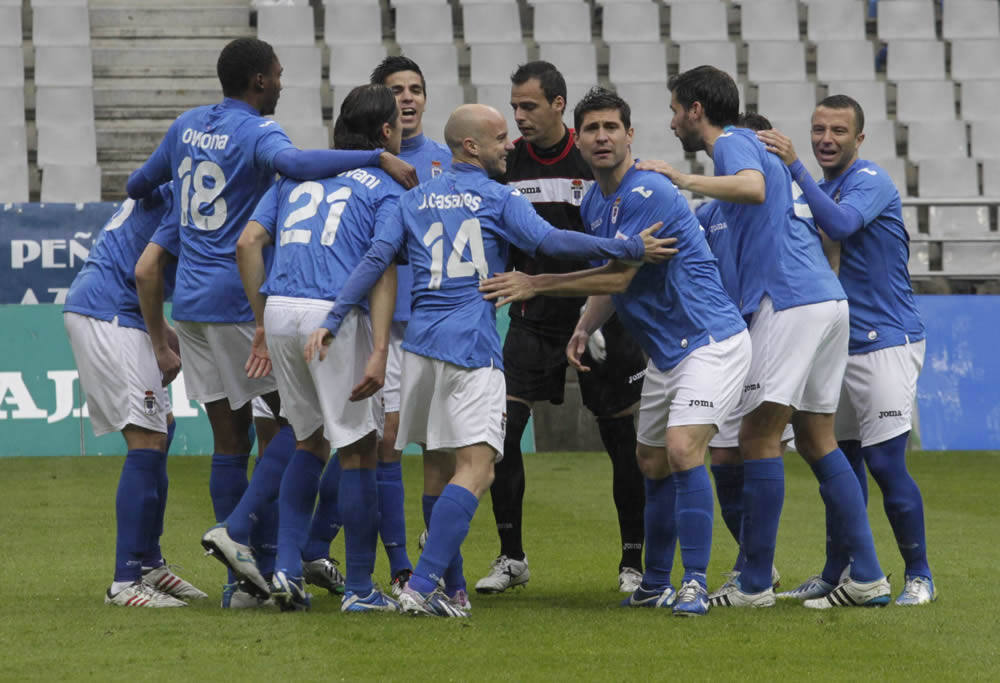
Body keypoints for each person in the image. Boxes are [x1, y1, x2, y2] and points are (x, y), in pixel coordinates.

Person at [304, 103, 674, 617]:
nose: (510, 146)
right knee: (477, 470)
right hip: (471, 350)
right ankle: (421, 582)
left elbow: (375, 260)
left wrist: (334, 315)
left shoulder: (411, 201)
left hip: (419, 351)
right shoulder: (496, 198)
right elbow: (551, 241)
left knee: (437, 469)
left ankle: (447, 591)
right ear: (471, 146)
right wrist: (625, 244)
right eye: (500, 138)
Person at [126, 37, 416, 598]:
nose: (282, 84)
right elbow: (297, 166)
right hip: (244, 300)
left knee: (230, 440)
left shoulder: (185, 125)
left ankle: (247, 582)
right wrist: (376, 157)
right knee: (301, 431)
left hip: (188, 302)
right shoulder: (262, 134)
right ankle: (248, 539)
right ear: (259, 81)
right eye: (279, 75)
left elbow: (141, 185)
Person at [481, 87, 751, 617]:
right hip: (668, 354)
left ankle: (693, 582)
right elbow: (616, 283)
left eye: (611, 127)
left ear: (631, 136)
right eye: (591, 129)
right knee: (648, 461)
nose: (601, 137)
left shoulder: (646, 191)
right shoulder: (596, 201)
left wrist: (536, 283)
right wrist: (585, 323)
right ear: (578, 140)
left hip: (711, 342)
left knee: (679, 451)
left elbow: (620, 272)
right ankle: (654, 580)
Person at [638, 65, 890, 609]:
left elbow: (750, 185)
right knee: (818, 440)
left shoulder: (734, 141)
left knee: (756, 438)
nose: (672, 121)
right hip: (824, 301)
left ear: (695, 111)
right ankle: (867, 576)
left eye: (675, 108)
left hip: (790, 301)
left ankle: (753, 584)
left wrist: (678, 178)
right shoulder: (722, 204)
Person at [232, 84, 406, 612]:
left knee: (306, 440)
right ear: (384, 132)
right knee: (357, 449)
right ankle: (358, 588)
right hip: (331, 318)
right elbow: (380, 262)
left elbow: (247, 243)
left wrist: (263, 320)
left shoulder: (296, 177)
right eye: (396, 121)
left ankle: (286, 570)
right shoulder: (384, 183)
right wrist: (376, 351)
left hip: (281, 309)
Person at [479, 61, 649, 595]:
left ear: (557, 105)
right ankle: (511, 557)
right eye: (514, 107)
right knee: (501, 434)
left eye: (528, 106)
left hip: (600, 313)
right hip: (532, 317)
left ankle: (633, 561)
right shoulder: (507, 164)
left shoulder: (594, 153)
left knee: (622, 441)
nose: (519, 117)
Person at [757, 95, 934, 606]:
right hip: (835, 342)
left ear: (859, 139)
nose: (825, 139)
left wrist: (792, 164)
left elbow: (840, 225)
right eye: (818, 130)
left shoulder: (870, 181)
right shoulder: (818, 186)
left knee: (884, 463)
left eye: (838, 131)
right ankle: (838, 571)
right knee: (840, 461)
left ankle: (919, 575)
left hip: (886, 338)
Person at [64, 184, 205, 608]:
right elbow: (145, 272)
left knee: (162, 427)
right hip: (108, 313)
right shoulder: (191, 197)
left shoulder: (174, 186)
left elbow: (141, 269)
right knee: (145, 439)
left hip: (118, 309)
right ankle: (125, 581)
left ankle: (149, 565)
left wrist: (161, 332)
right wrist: (160, 345)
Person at [368, 56, 454, 594]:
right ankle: (400, 564)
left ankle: (435, 558)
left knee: (441, 446)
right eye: (397, 90)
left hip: (437, 318)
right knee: (388, 441)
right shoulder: (368, 161)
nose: (408, 98)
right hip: (385, 324)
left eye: (416, 89)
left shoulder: (448, 161)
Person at [696, 113, 791, 600]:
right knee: (724, 455)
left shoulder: (782, 205)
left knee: (787, 445)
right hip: (730, 341)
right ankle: (757, 564)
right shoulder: (710, 213)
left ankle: (758, 574)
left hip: (775, 327)